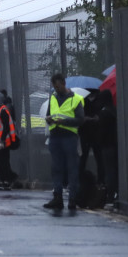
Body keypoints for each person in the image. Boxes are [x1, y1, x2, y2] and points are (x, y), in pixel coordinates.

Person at [43, 73, 85, 212]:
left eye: (58, 86)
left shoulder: (76, 99)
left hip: (69, 137)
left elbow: (80, 119)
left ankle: (73, 199)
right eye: (55, 87)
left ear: (63, 83)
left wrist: (64, 121)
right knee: (56, 168)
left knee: (72, 168)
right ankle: (58, 197)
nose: (57, 89)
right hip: (55, 136)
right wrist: (49, 119)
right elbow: (49, 113)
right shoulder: (53, 97)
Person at [0, 90, 19, 190]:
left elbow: (6, 126)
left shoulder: (3, 111)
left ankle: (7, 180)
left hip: (4, 140)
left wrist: (2, 140)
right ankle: (4, 179)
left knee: (3, 160)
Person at [96, 89, 118, 203]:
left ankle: (109, 195)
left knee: (109, 170)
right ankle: (117, 193)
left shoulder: (104, 113)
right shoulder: (115, 111)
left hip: (107, 145)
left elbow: (102, 132)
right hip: (116, 144)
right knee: (116, 169)